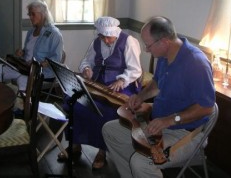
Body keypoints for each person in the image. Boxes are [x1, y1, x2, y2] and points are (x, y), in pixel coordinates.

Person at [102, 16, 215, 178]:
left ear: (164, 42)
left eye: (148, 45)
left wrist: (169, 120)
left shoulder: (196, 63)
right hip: (156, 121)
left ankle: (142, 168)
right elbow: (156, 83)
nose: (147, 50)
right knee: (110, 130)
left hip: (186, 132)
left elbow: (206, 107)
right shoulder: (164, 56)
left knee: (141, 162)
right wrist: (141, 96)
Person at [58, 16, 142, 170]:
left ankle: (102, 151)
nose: (106, 40)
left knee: (106, 110)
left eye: (109, 37)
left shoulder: (129, 41)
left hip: (123, 85)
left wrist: (122, 80)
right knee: (75, 102)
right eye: (103, 37)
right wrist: (86, 69)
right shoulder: (97, 42)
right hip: (98, 82)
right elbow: (86, 61)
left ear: (115, 33)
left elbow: (135, 69)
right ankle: (75, 144)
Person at [0, 0, 64, 91]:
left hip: (41, 72)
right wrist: (22, 52)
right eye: (29, 14)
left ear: (43, 14)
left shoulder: (54, 33)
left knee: (22, 80)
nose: (30, 17)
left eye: (33, 14)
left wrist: (40, 64)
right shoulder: (31, 31)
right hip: (24, 68)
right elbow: (29, 51)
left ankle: (25, 104)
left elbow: (56, 59)